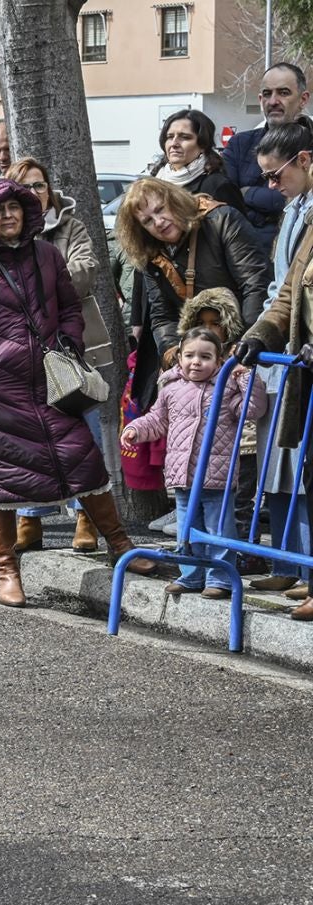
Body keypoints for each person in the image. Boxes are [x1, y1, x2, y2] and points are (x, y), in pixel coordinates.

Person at [0, 178, 156, 607]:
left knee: (84, 460)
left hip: (52, 383)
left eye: (15, 208)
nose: (8, 216)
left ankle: (120, 546)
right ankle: (6, 570)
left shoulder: (48, 254)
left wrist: (69, 345)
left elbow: (70, 306)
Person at [10, 156, 114, 552]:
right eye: (26, 187)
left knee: (84, 435)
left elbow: (85, 273)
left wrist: (37, 282)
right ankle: (30, 518)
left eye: (40, 185)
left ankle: (86, 515)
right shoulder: (3, 231)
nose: (35, 193)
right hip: (23, 350)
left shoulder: (71, 226)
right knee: (28, 438)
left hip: (75, 347)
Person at [122, 327, 266, 600]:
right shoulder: (171, 388)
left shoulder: (227, 386)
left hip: (217, 475)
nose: (196, 362)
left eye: (205, 356)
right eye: (189, 355)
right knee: (187, 529)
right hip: (182, 474)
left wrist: (246, 377)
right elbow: (157, 420)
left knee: (219, 529)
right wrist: (135, 430)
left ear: (219, 360)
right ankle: (190, 576)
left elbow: (253, 409)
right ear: (179, 358)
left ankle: (220, 578)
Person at [245, 119, 313, 591]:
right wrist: (258, 336)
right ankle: (291, 567)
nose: (271, 186)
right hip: (296, 359)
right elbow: (288, 291)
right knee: (290, 464)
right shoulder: (299, 211)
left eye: (276, 175)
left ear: (304, 161)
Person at [114, 177, 269, 379]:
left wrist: (245, 344)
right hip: (199, 361)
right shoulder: (150, 253)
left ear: (175, 200)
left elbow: (256, 285)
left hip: (244, 351)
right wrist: (175, 355)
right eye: (147, 221)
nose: (159, 222)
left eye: (160, 209)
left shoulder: (221, 220)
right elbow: (162, 316)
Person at [221, 62, 309, 242]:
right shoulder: (240, 144)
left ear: (303, 99)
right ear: (260, 100)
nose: (273, 101)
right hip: (244, 251)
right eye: (267, 94)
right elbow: (225, 200)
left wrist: (247, 193)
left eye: (283, 93)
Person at [146, 108, 246, 217]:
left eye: (184, 137)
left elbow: (238, 230)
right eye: (170, 137)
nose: (174, 143)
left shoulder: (218, 186)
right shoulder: (155, 181)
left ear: (203, 144)